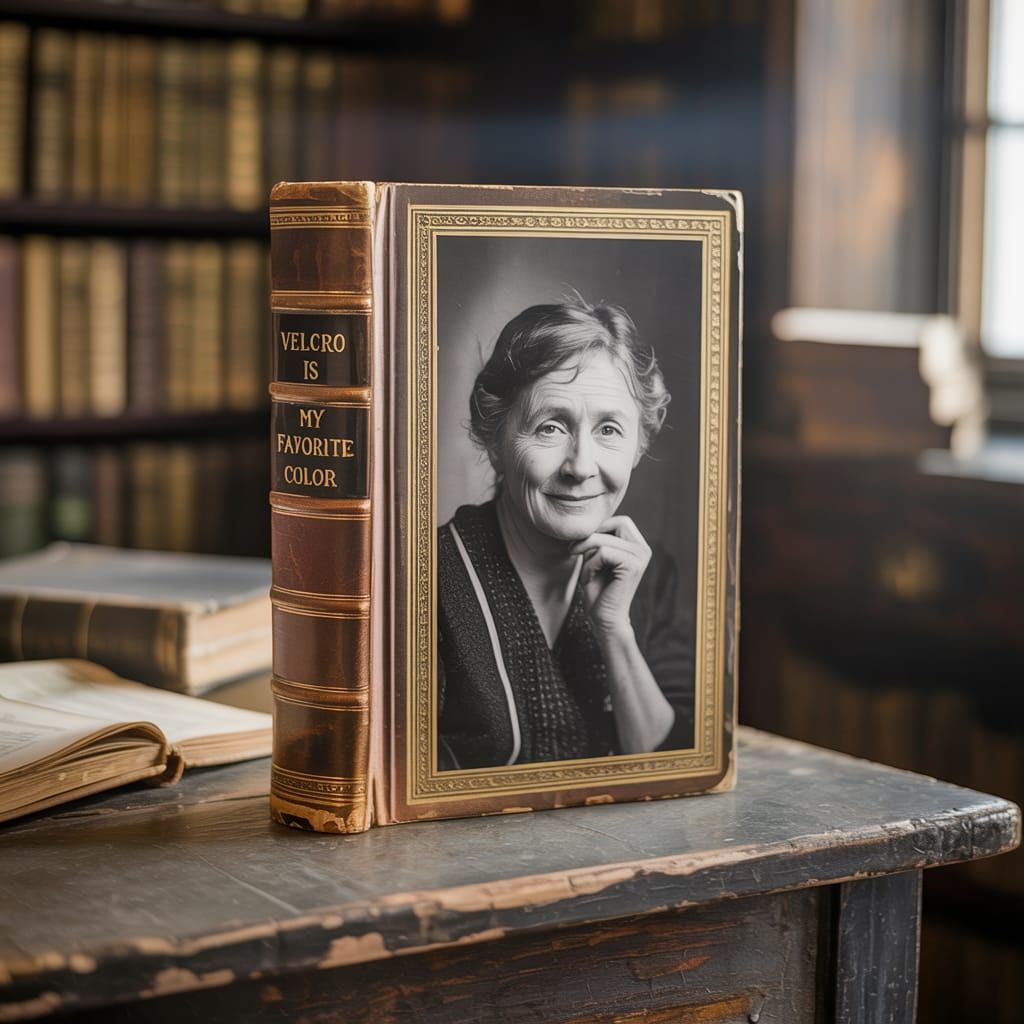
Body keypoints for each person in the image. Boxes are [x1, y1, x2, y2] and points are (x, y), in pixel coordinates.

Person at [437, 296, 694, 770]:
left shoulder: (650, 575)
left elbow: (674, 769)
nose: (581, 466)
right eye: (550, 427)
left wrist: (614, 630)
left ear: (639, 445)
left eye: (609, 430)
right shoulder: (425, 580)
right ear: (494, 440)